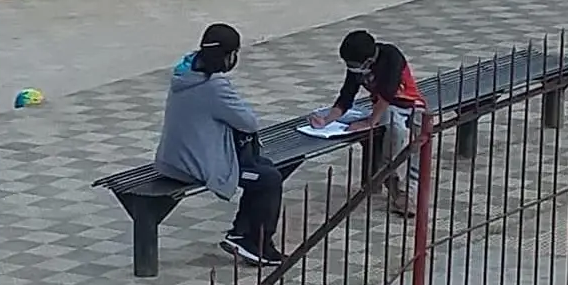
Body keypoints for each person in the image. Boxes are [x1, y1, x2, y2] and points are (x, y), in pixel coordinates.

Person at [154, 23, 285, 266]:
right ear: (228, 55)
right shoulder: (214, 86)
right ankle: (256, 243)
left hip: (172, 159)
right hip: (193, 165)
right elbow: (249, 122)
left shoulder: (185, 73)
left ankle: (240, 233)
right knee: (269, 178)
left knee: (264, 167)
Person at [308, 30, 426, 216]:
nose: (352, 68)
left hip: (409, 106)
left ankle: (407, 194)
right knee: (389, 144)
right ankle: (399, 192)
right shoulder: (356, 68)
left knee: (402, 138)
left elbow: (387, 95)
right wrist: (326, 120)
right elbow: (346, 96)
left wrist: (371, 122)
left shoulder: (391, 56)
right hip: (383, 109)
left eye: (354, 65)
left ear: (368, 61)